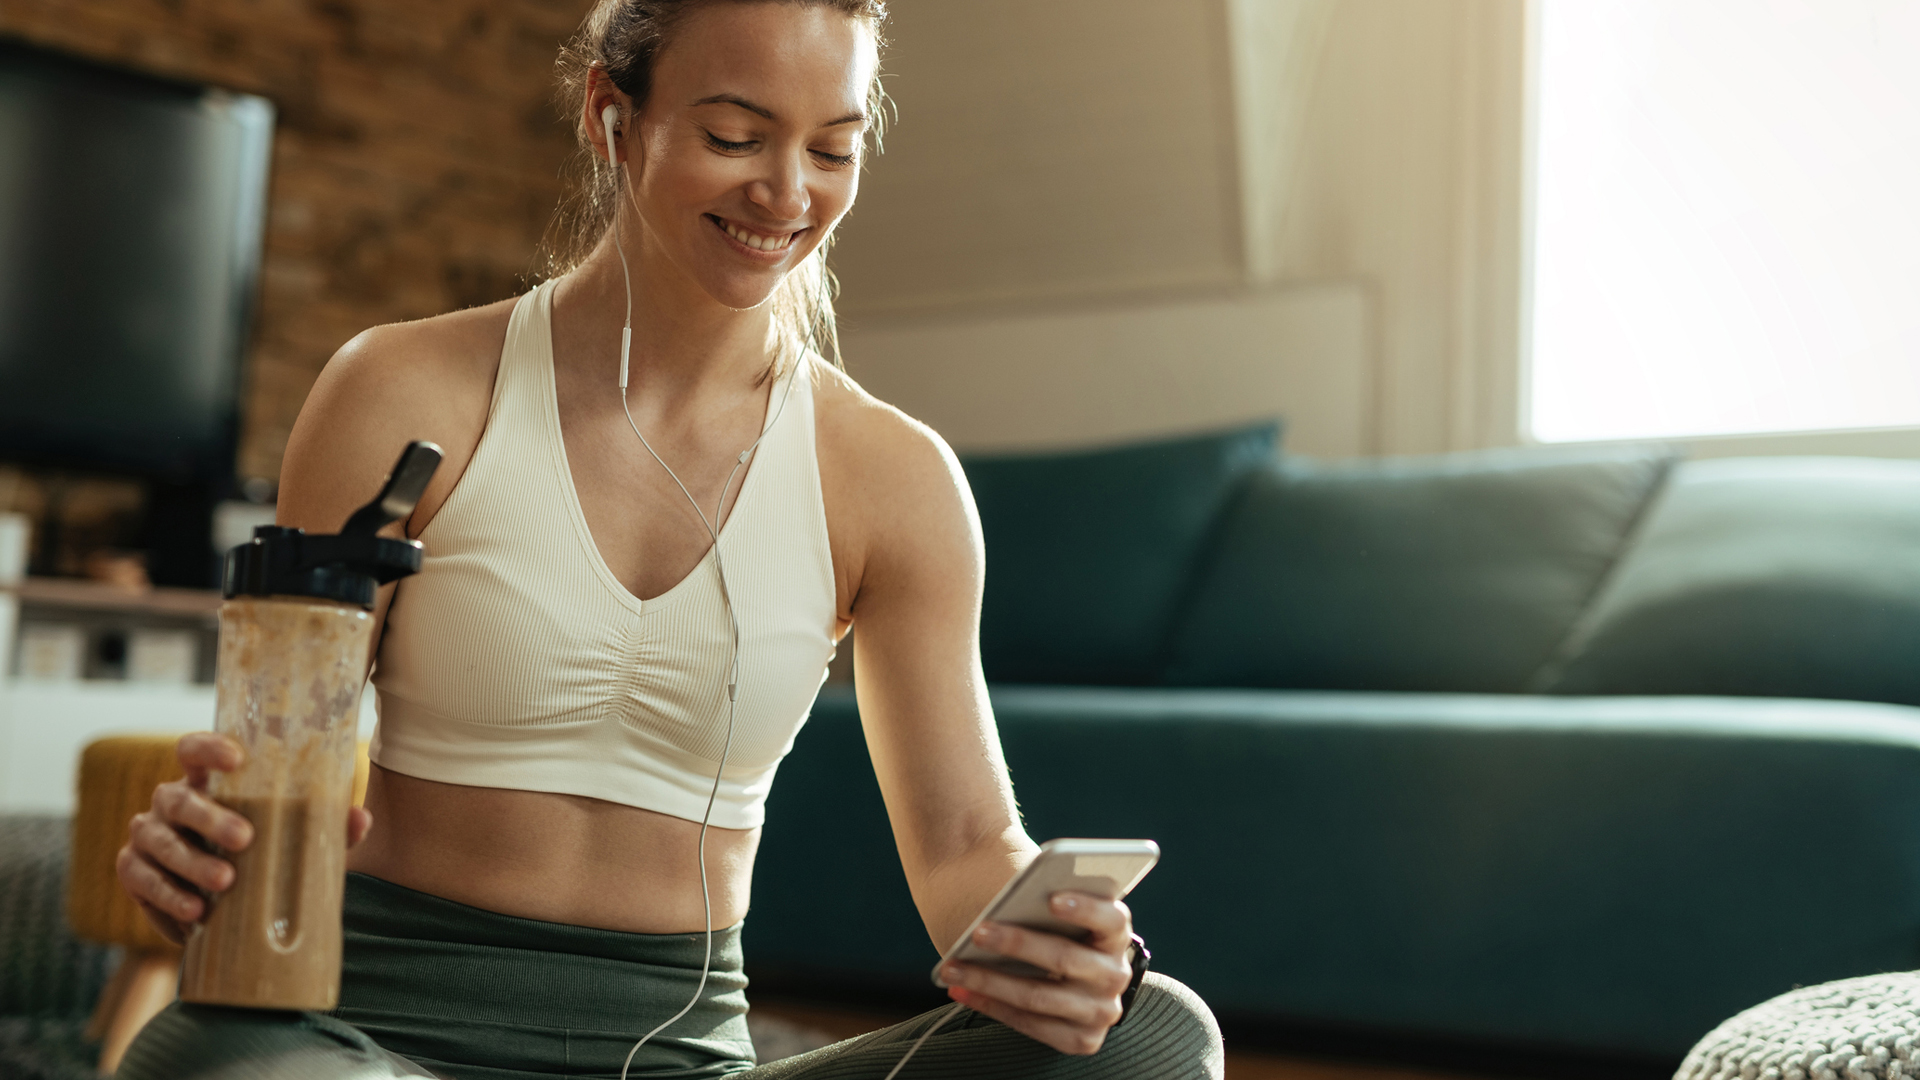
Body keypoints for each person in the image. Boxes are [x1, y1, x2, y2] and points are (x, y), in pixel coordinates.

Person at [113, 1, 1223, 1076]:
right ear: (613, 115)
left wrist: (1068, 953)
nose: (786, 193)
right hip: (368, 1047)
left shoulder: (893, 479)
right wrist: (200, 846)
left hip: (677, 1058)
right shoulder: (402, 394)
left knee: (1158, 1038)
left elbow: (965, 847)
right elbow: (272, 767)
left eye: (832, 150)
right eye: (735, 135)